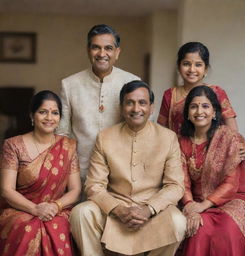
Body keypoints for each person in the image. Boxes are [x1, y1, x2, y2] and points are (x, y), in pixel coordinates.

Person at [70, 80, 186, 256]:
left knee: (178, 221)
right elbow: (94, 185)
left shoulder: (168, 138)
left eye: (142, 103)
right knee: (81, 212)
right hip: (114, 212)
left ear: (151, 108)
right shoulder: (105, 137)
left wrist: (149, 209)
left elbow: (176, 186)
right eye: (130, 102)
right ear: (121, 107)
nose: (136, 108)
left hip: (152, 212)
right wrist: (118, 209)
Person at [0, 90, 81, 255]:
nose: (49, 117)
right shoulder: (13, 145)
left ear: (59, 118)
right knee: (26, 227)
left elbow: (75, 190)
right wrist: (35, 209)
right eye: (43, 112)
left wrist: (54, 206)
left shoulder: (68, 146)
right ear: (32, 115)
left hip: (55, 210)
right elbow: (6, 190)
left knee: (58, 226)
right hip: (21, 208)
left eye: (55, 113)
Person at [179, 85, 245, 256]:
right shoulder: (181, 142)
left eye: (205, 106)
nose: (200, 111)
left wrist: (203, 206)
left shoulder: (228, 137)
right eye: (194, 106)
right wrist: (191, 206)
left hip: (234, 198)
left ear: (214, 112)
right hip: (197, 201)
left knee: (229, 229)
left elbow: (231, 183)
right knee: (198, 231)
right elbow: (182, 181)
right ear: (187, 114)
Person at [57, 24, 140, 180]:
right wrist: (69, 170)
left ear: (117, 52)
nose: (102, 53)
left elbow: (141, 130)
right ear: (88, 51)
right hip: (80, 173)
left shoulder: (132, 82)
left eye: (108, 48)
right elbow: (62, 133)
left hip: (121, 173)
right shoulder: (70, 85)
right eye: (96, 47)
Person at [157, 42, 245, 161]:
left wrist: (243, 145)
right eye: (186, 64)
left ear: (205, 69)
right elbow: (161, 131)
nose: (192, 69)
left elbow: (232, 131)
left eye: (198, 64)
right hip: (180, 157)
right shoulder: (170, 95)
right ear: (179, 67)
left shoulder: (217, 93)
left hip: (214, 157)